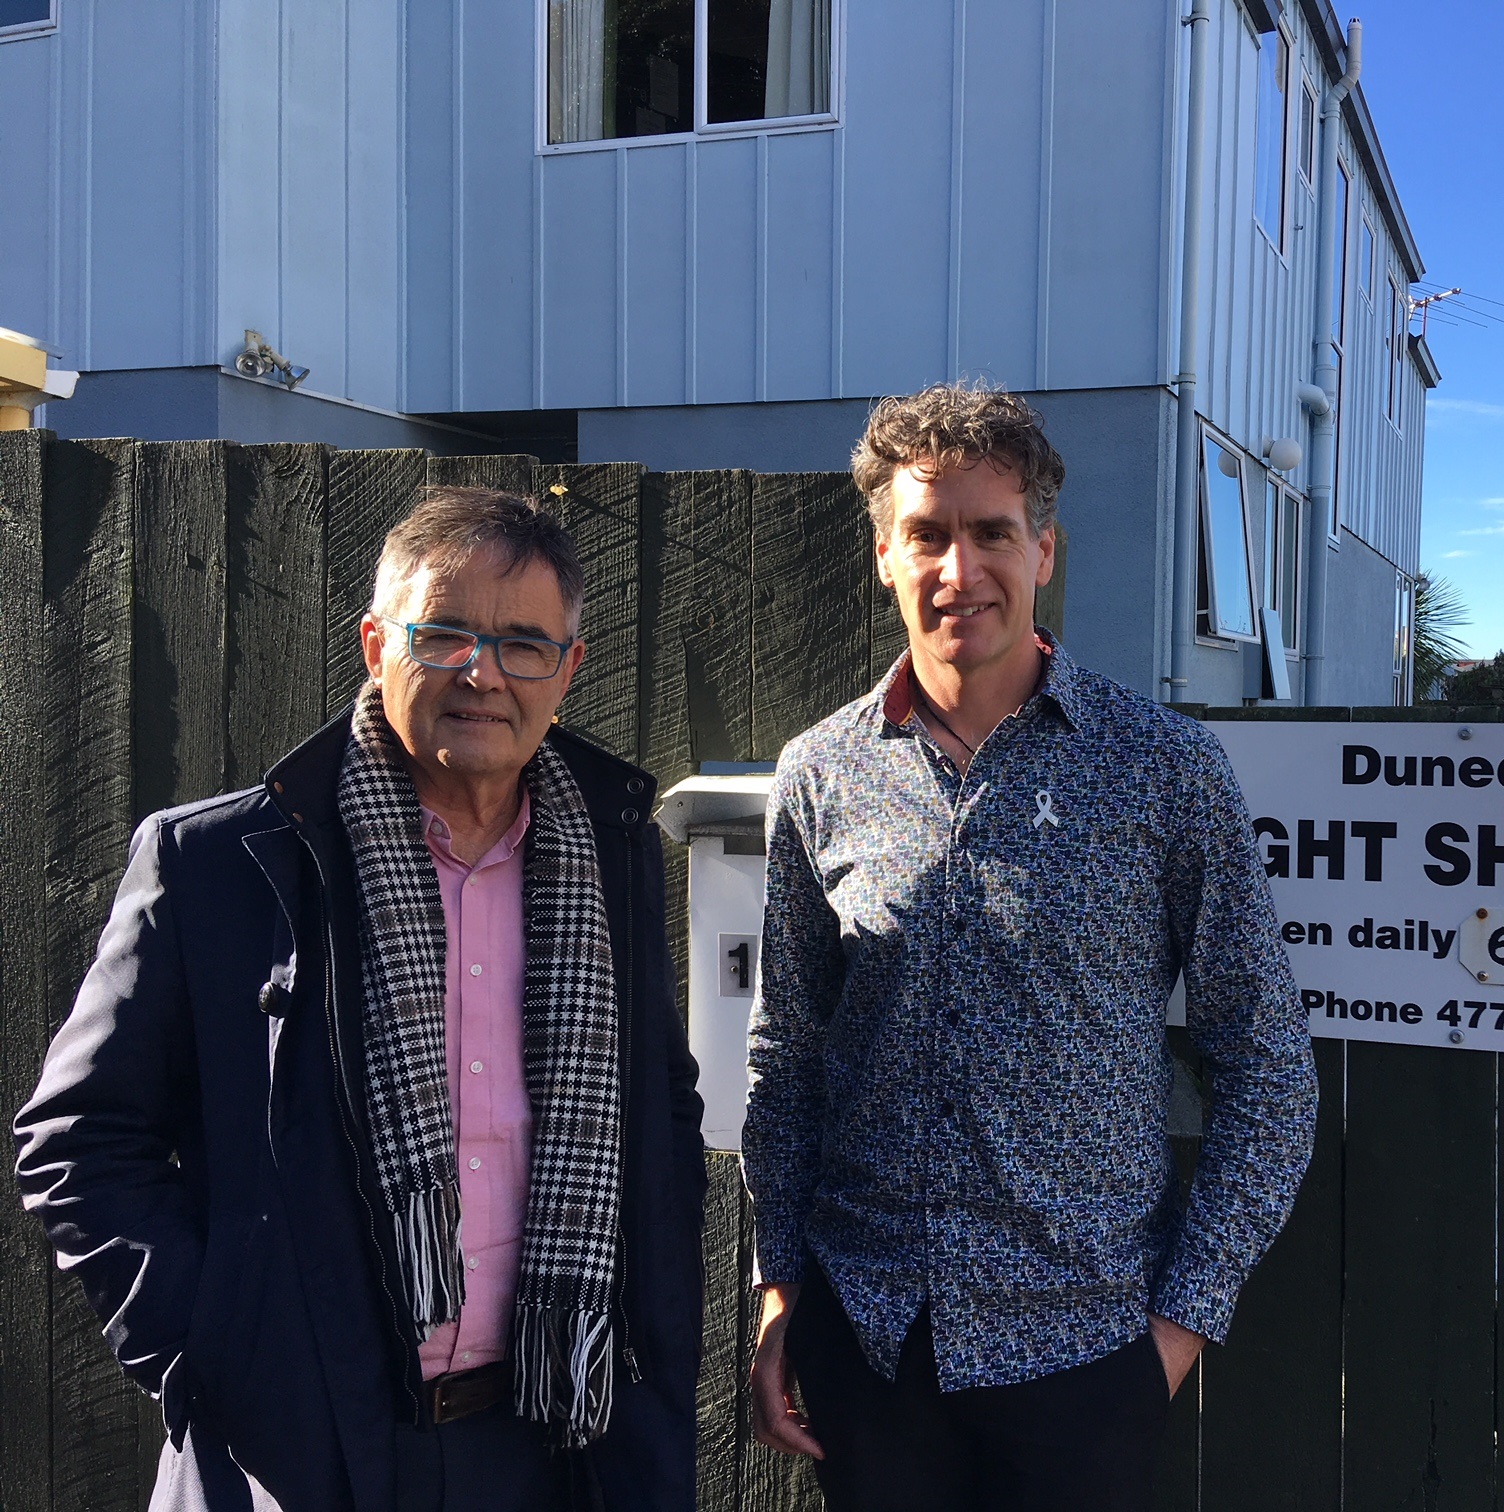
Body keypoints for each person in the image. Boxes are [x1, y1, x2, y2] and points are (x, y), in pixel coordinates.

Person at [15, 489, 706, 1512]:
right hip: (302, 1449)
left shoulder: (615, 857)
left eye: (522, 644)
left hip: (558, 1438)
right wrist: (216, 1345)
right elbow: (79, 1138)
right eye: (446, 634)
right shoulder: (219, 862)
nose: (481, 672)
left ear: (570, 671)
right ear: (378, 642)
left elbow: (662, 1117)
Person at [742, 384, 1318, 1512]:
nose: (960, 570)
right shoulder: (820, 774)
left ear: (1042, 551)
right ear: (884, 558)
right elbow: (787, 1057)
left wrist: (1174, 1332)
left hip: (1082, 1357)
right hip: (868, 1346)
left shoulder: (1161, 769)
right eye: (928, 536)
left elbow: (1269, 1066)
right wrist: (777, 1295)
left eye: (991, 533)